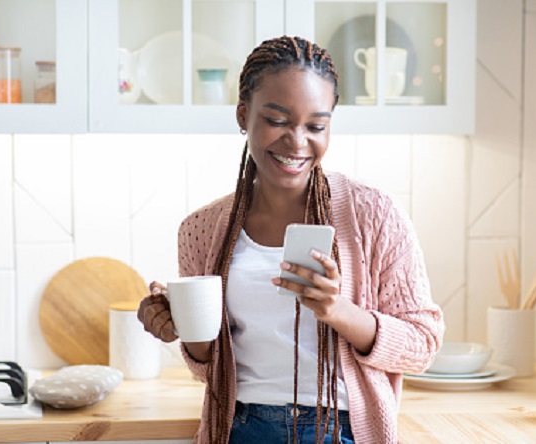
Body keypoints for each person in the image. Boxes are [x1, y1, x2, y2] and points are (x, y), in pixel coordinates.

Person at [137, 35, 444, 444]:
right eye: (278, 121)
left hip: (340, 432)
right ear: (243, 115)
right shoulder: (203, 229)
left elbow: (422, 343)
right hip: (239, 429)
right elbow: (207, 365)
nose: (298, 141)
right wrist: (178, 322)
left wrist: (337, 311)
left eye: (316, 125)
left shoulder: (373, 215)